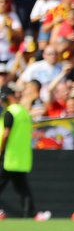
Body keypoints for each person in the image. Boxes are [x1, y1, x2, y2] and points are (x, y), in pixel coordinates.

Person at [0, 87, 34, 217]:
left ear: (7, 98)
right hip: (21, 157)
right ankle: (29, 213)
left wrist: (1, 149)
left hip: (8, 156)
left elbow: (6, 134)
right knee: (22, 188)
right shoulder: (24, 112)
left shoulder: (10, 112)